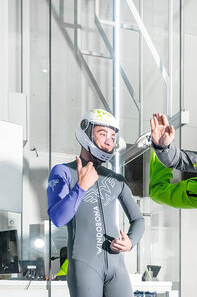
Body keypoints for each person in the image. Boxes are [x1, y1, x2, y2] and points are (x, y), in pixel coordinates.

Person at [47, 109, 144, 297]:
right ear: (86, 132)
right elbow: (58, 218)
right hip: (85, 266)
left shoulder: (116, 179)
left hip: (117, 268)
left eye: (113, 136)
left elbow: (138, 218)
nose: (109, 140)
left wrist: (131, 242)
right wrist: (80, 187)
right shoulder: (63, 172)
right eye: (102, 133)